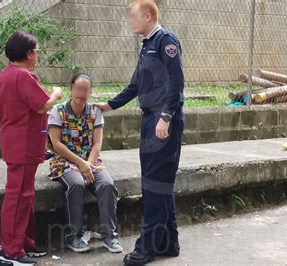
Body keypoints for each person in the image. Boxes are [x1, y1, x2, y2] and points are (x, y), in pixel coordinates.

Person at [96, 0, 185, 264]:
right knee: (158, 183)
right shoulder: (147, 44)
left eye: (133, 17)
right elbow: (136, 84)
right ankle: (168, 243)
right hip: (151, 120)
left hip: (162, 121)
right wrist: (110, 105)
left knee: (155, 185)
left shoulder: (165, 41)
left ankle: (146, 247)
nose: (130, 22)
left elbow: (176, 83)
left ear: (147, 16)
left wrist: (166, 117)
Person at [0, 31, 62, 266]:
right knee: (19, 196)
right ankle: (11, 251)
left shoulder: (6, 75)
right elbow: (43, 105)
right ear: (29, 53)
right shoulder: (23, 76)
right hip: (21, 144)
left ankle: (23, 243)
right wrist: (56, 93)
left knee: (25, 196)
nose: (38, 55)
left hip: (18, 143)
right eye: (37, 51)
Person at [48, 73, 123, 254]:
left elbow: (97, 143)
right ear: (71, 89)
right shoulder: (58, 111)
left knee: (107, 184)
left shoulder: (95, 112)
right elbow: (56, 144)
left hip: (91, 161)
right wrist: (80, 164)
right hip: (64, 162)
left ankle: (109, 236)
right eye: (78, 88)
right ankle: (73, 235)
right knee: (77, 184)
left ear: (90, 92)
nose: (81, 93)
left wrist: (87, 164)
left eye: (85, 90)